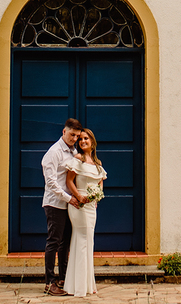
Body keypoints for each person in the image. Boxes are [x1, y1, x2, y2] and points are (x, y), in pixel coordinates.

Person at [62, 128, 107, 297]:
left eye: (86, 138)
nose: (82, 141)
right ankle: (78, 286)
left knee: (88, 242)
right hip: (79, 206)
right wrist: (79, 196)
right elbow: (69, 181)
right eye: (80, 139)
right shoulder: (77, 160)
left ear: (92, 142)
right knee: (81, 241)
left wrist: (96, 197)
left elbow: (100, 182)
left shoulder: (97, 164)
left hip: (91, 207)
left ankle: (88, 284)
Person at [41, 118, 83, 296]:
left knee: (65, 243)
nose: (74, 139)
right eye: (72, 135)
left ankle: (63, 279)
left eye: (77, 136)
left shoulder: (74, 151)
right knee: (54, 242)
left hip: (68, 204)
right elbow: (51, 182)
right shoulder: (54, 152)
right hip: (55, 203)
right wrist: (69, 198)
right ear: (64, 132)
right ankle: (49, 283)